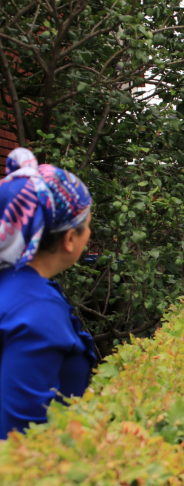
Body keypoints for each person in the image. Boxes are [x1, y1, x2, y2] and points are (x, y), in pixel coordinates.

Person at [0, 148, 96, 439]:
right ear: (69, 239)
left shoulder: (14, 285)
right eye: (87, 225)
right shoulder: (37, 310)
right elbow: (18, 435)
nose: (89, 234)